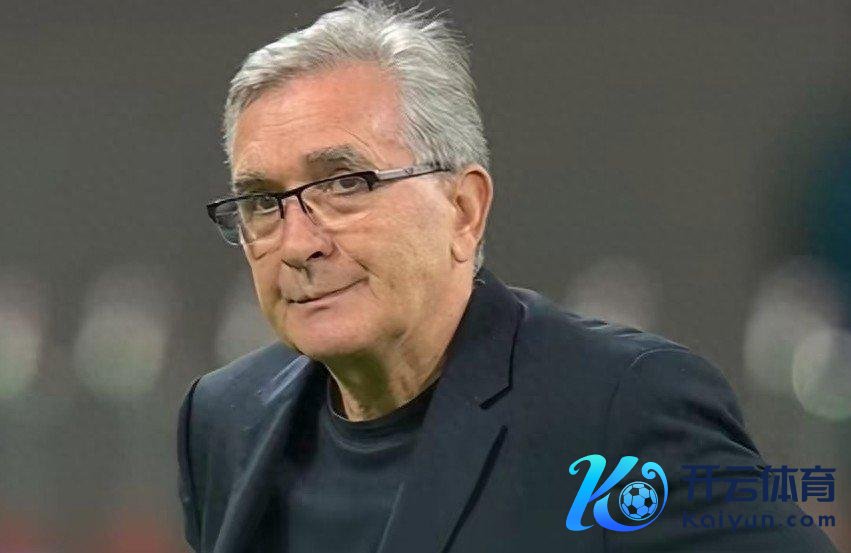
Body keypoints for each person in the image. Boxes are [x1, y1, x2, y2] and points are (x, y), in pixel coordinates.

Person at [177, 2, 839, 552]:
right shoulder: (223, 420)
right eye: (261, 201)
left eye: (346, 184)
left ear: (463, 209)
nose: (297, 243)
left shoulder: (618, 412)